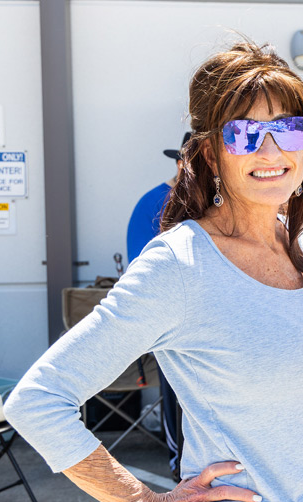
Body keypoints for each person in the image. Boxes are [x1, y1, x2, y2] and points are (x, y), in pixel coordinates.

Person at [4, 41, 303, 502]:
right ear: (209, 153)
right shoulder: (180, 264)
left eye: (288, 127)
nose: (271, 151)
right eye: (244, 133)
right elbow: (38, 400)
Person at [126, 131, 190, 482]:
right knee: (173, 396)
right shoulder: (156, 202)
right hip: (169, 323)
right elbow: (142, 272)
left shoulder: (204, 201)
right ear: (181, 163)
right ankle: (177, 466)